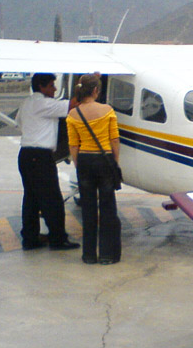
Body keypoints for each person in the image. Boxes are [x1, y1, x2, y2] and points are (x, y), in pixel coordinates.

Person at [15, 73, 79, 251]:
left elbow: (19, 123)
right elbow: (73, 104)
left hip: (26, 154)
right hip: (40, 157)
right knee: (52, 199)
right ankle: (58, 239)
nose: (55, 89)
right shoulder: (44, 103)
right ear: (41, 87)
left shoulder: (27, 103)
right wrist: (87, 85)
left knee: (31, 199)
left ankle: (30, 238)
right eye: (51, 85)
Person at [67, 74, 122, 265]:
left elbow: (73, 145)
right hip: (104, 160)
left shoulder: (73, 114)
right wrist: (115, 162)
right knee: (107, 208)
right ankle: (107, 255)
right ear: (96, 90)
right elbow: (114, 139)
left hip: (84, 160)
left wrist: (78, 164)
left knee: (88, 209)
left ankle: (89, 254)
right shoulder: (107, 110)